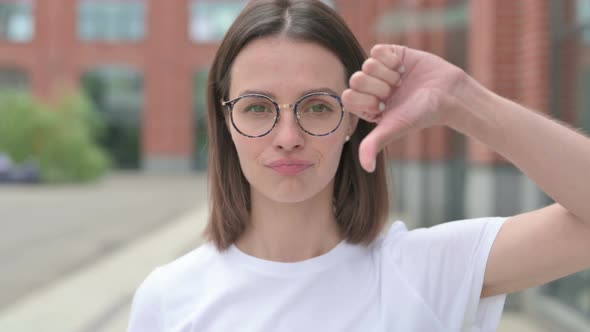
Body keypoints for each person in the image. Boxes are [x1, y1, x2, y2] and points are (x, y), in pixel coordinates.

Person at [127, 1, 590, 331]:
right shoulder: (170, 298)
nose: (288, 138)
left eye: (317, 107)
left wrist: (461, 99)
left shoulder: (425, 272)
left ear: (352, 119)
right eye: (256, 108)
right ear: (225, 118)